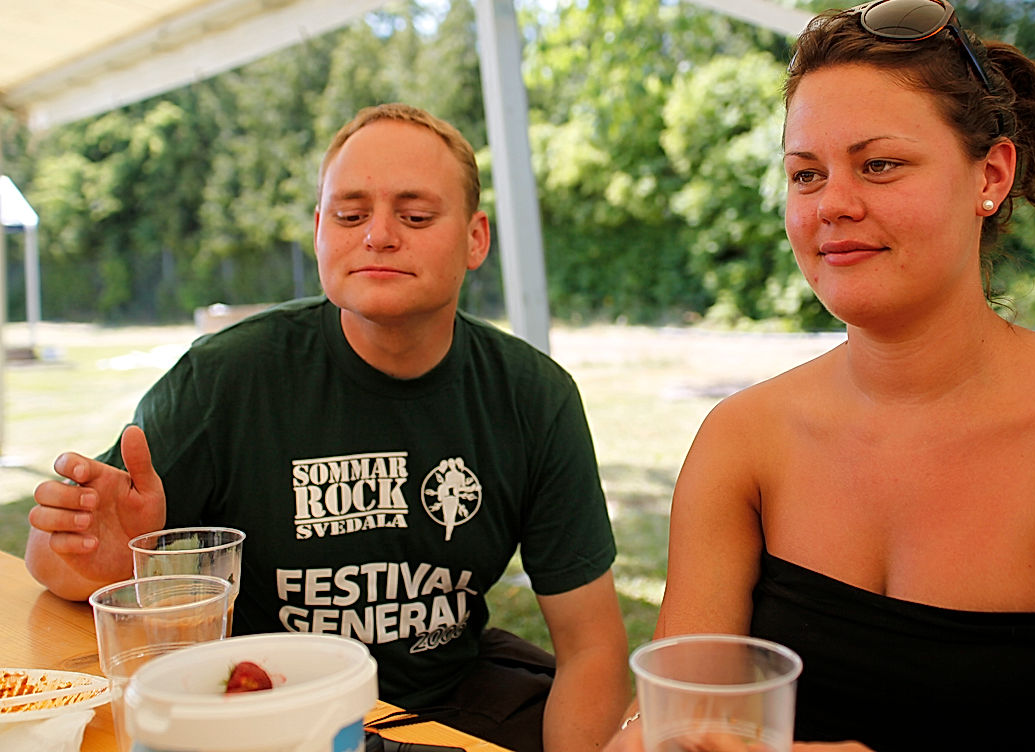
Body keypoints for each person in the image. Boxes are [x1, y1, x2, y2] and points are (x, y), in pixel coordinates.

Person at [605, 0, 1035, 752]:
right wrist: (640, 738)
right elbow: (677, 715)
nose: (833, 205)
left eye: (879, 165)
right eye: (806, 174)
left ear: (991, 176)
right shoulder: (743, 441)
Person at [26, 102, 630, 752]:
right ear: (319, 231)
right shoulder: (229, 377)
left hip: (451, 701)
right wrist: (95, 562)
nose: (378, 235)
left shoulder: (533, 398)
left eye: (416, 215)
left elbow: (592, 647)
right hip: (262, 710)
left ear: (476, 238)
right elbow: (52, 563)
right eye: (349, 214)